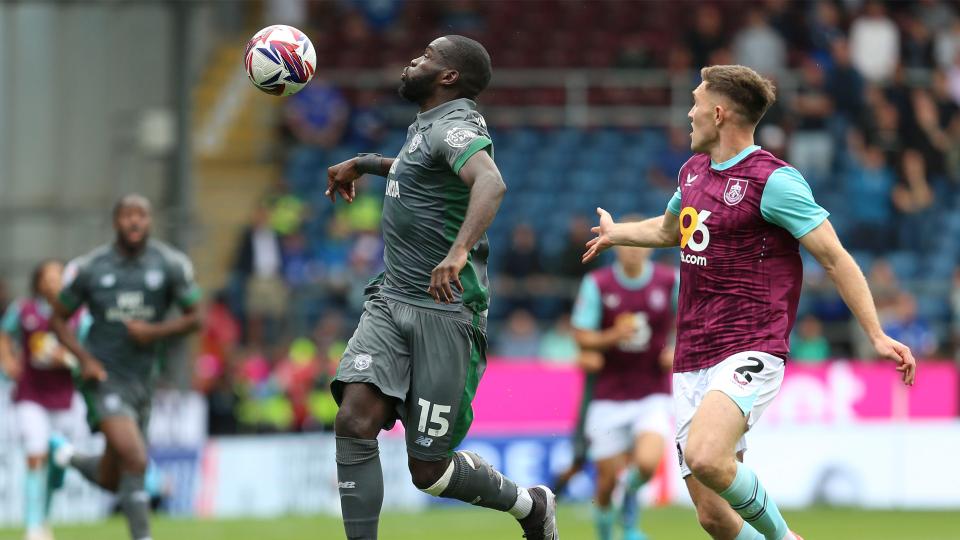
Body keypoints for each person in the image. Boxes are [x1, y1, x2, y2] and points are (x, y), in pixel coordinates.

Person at [583, 65, 916, 540]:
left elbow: (836, 258)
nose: (689, 112)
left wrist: (877, 334)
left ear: (718, 113)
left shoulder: (773, 181)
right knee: (714, 518)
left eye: (696, 103)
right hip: (691, 356)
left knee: (705, 454)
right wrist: (617, 234)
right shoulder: (693, 170)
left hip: (749, 345)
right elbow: (667, 228)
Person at [325, 36, 558, 540]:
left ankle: (529, 506)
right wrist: (365, 163)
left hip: (446, 312)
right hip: (392, 301)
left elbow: (490, 182)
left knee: (428, 471)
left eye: (427, 56)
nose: (414, 60)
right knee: (353, 421)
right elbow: (415, 170)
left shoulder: (453, 125)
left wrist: (457, 253)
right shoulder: (428, 127)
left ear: (448, 77)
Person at [44, 194, 203, 540]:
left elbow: (196, 318)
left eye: (141, 216)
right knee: (135, 458)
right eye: (127, 215)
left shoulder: (168, 264)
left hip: (144, 380)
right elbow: (57, 318)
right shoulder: (91, 268)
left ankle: (66, 456)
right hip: (103, 377)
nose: (134, 222)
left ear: (149, 221)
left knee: (115, 476)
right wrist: (84, 360)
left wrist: (154, 331)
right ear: (115, 221)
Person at [572, 233, 678, 540]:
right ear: (616, 250)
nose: (633, 253)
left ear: (650, 250)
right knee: (605, 483)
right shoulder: (598, 283)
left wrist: (676, 347)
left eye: (639, 247)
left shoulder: (669, 281)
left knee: (645, 464)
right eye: (626, 247)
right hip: (608, 395)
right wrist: (612, 337)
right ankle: (606, 532)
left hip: (652, 392)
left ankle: (629, 505)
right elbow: (581, 335)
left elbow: (691, 318)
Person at [0, 260, 91, 540]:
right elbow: (4, 335)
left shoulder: (80, 316)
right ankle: (32, 527)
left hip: (65, 399)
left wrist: (67, 360)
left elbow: (90, 354)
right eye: (47, 278)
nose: (52, 282)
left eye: (58, 277)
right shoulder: (24, 310)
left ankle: (44, 518)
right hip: (30, 396)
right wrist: (8, 362)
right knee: (34, 455)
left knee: (57, 464)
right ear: (38, 283)